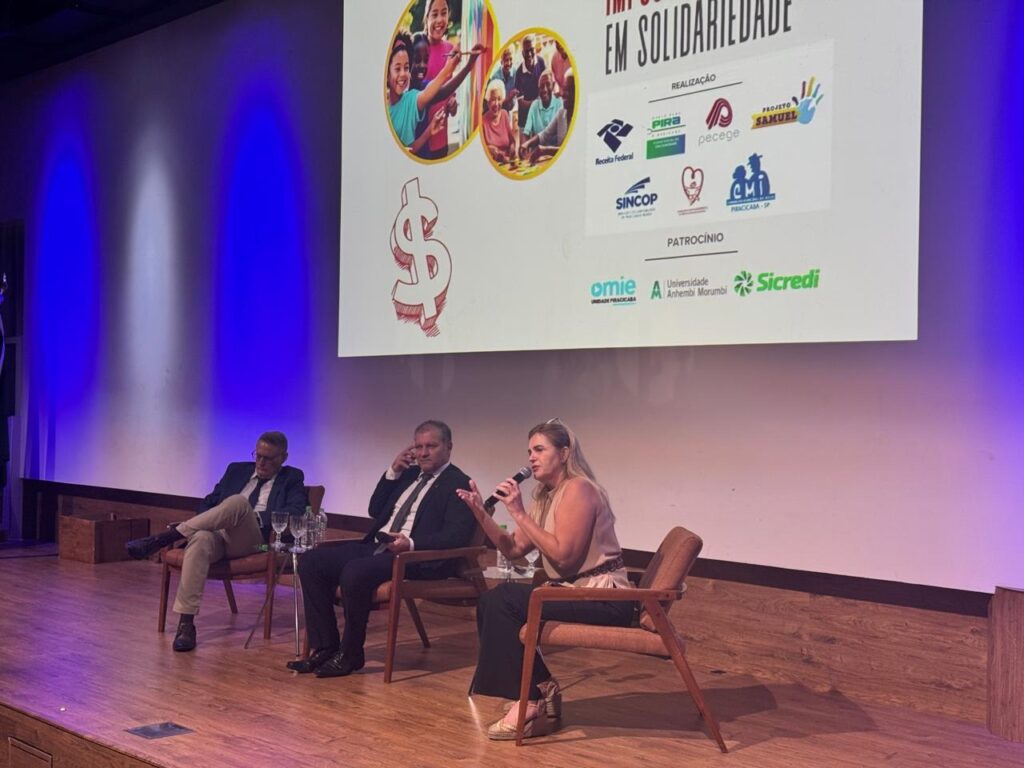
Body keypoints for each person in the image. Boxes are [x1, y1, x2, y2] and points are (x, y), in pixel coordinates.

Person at [457, 420, 634, 740]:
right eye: (529, 451)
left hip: (605, 597)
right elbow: (513, 550)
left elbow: (564, 556)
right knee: (490, 601)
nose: (531, 458)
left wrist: (518, 512)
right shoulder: (544, 495)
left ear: (564, 453)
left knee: (504, 600)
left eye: (540, 449)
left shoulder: (579, 489)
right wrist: (481, 514)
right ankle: (536, 688)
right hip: (574, 592)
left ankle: (528, 701)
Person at [290, 420, 475, 678]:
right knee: (311, 561)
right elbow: (376, 510)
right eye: (418, 446)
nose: (422, 453)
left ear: (448, 447)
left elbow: (455, 535)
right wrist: (392, 473)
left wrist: (410, 543)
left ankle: (351, 653)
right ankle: (325, 647)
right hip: (378, 545)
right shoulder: (409, 476)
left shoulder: (459, 483)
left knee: (356, 571)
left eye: (431, 446)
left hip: (415, 556)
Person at [126, 431, 306, 652]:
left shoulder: (292, 477)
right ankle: (186, 624)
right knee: (201, 538)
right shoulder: (236, 470)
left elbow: (295, 511)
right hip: (218, 536)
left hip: (256, 542)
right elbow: (207, 503)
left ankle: (167, 537)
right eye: (258, 455)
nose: (261, 462)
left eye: (269, 458)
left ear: (283, 458)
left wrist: (252, 516)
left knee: (239, 504)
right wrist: (213, 521)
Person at [520, 68, 574, 163]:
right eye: (564, 89)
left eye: (569, 90)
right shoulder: (562, 113)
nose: (563, 94)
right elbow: (544, 135)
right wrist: (527, 144)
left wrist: (545, 150)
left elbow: (572, 150)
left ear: (553, 86)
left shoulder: (578, 115)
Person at [512, 35, 546, 131]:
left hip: (540, 118)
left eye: (532, 49)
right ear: (522, 53)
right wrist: (539, 102)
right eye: (527, 51)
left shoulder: (541, 62)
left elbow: (546, 86)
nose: (530, 54)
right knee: (524, 146)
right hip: (524, 120)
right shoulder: (519, 73)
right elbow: (521, 103)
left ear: (535, 49)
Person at [481, 79, 518, 164]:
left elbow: (512, 141)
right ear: (488, 102)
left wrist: (512, 148)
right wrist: (488, 150)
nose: (497, 104)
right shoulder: (482, 122)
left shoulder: (505, 114)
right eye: (493, 99)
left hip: (507, 163)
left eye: (499, 99)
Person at [520, 71, 563, 143]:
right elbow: (526, 132)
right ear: (538, 89)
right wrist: (524, 145)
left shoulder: (559, 105)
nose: (545, 90)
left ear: (553, 85)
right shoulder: (534, 106)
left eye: (548, 84)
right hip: (537, 152)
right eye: (541, 86)